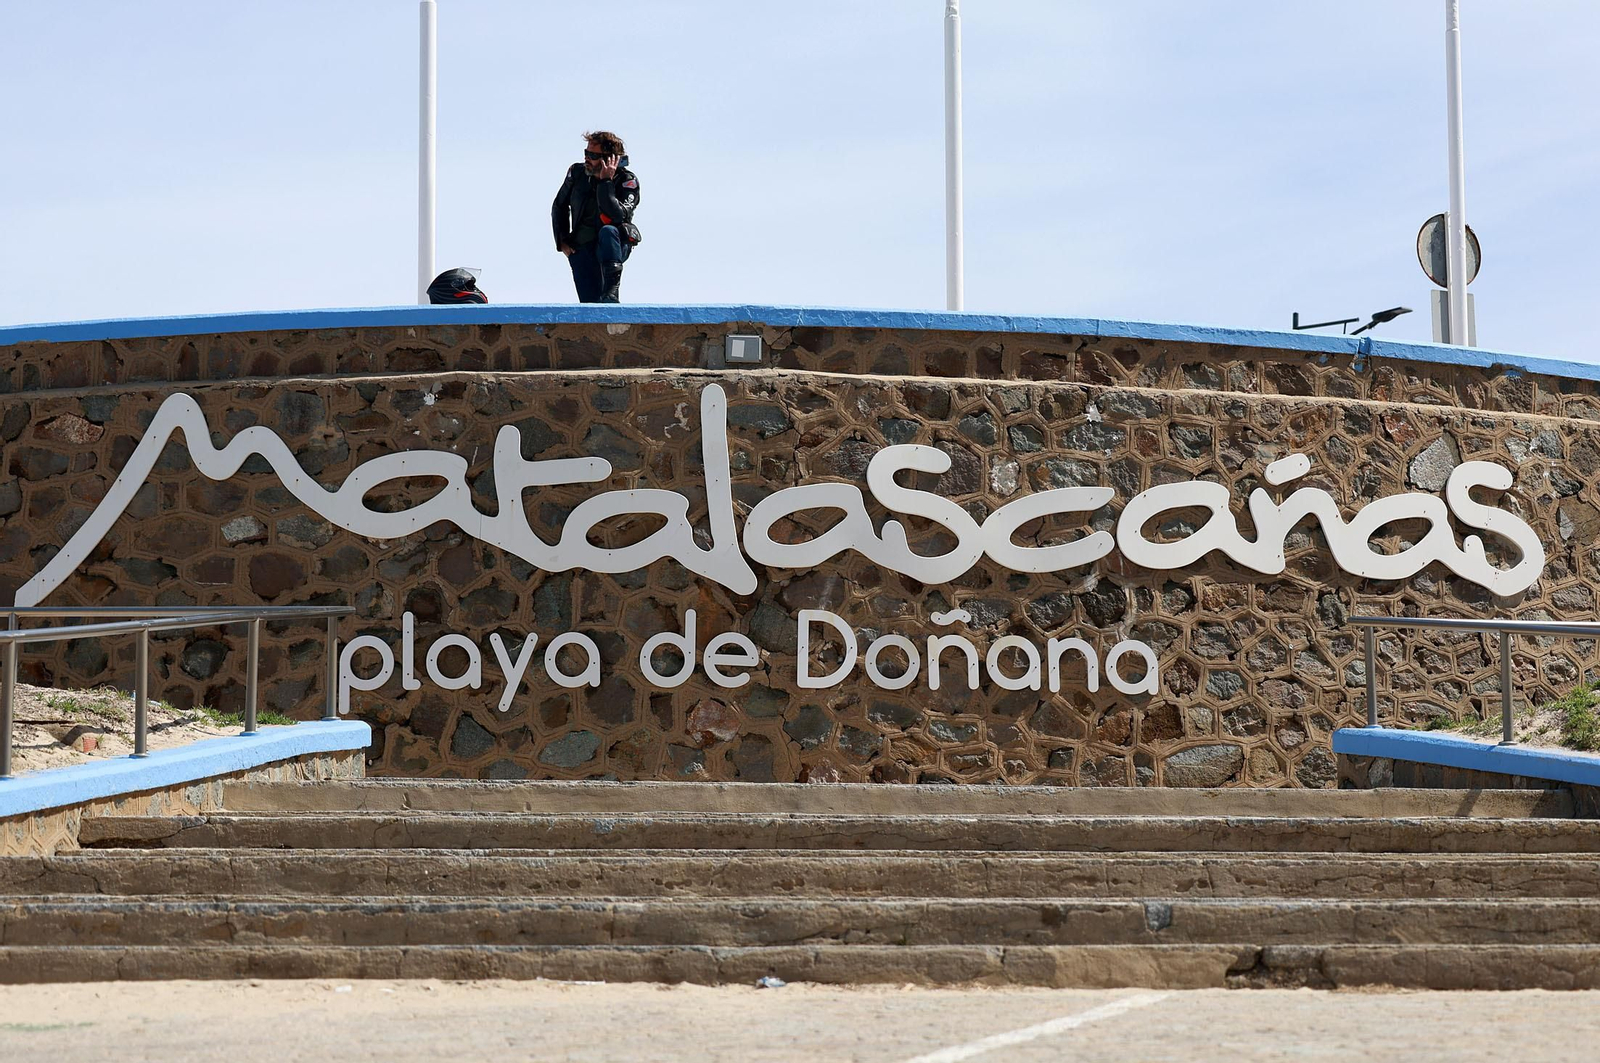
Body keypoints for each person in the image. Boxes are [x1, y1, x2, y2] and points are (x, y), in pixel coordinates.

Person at [551, 131, 640, 303]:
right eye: (586, 153)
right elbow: (559, 205)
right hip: (581, 248)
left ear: (610, 159)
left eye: (592, 155)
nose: (587, 158)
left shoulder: (627, 180)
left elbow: (617, 216)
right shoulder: (577, 173)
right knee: (589, 306)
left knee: (608, 230)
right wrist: (562, 240)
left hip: (612, 245)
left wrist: (605, 182)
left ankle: (611, 292)